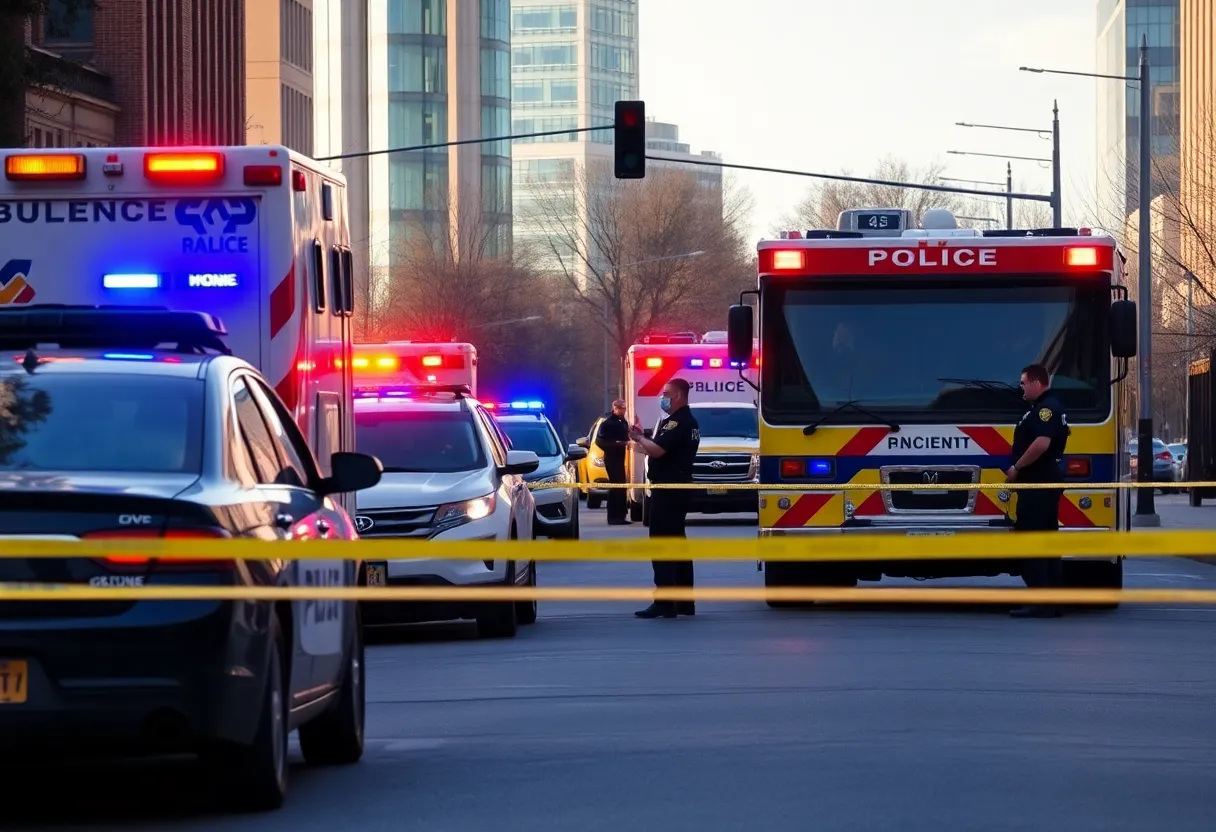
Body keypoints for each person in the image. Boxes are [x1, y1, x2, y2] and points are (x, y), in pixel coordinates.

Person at [628, 378, 700, 619]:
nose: (663, 396)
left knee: (662, 543)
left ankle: (665, 601)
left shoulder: (679, 422)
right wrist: (639, 439)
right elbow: (657, 448)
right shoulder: (683, 422)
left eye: (667, 393)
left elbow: (658, 451)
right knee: (677, 542)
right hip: (676, 489)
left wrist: (639, 439)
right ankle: (684, 601)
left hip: (669, 490)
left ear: (679, 395)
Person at [1005, 363, 1070, 618]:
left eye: (1023, 383)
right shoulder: (1045, 407)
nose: (1021, 388)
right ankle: (1053, 601)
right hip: (1043, 481)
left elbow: (1042, 443)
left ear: (1035, 382)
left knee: (1030, 541)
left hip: (1038, 482)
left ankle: (1041, 600)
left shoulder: (1045, 409)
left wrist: (1017, 467)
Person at [594, 399, 631, 525]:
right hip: (612, 458)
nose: (623, 410)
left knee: (621, 486)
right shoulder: (608, 423)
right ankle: (614, 517)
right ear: (614, 408)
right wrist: (616, 445)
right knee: (616, 486)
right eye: (620, 408)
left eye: (624, 408)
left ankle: (621, 515)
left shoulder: (623, 422)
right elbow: (600, 441)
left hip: (620, 458)